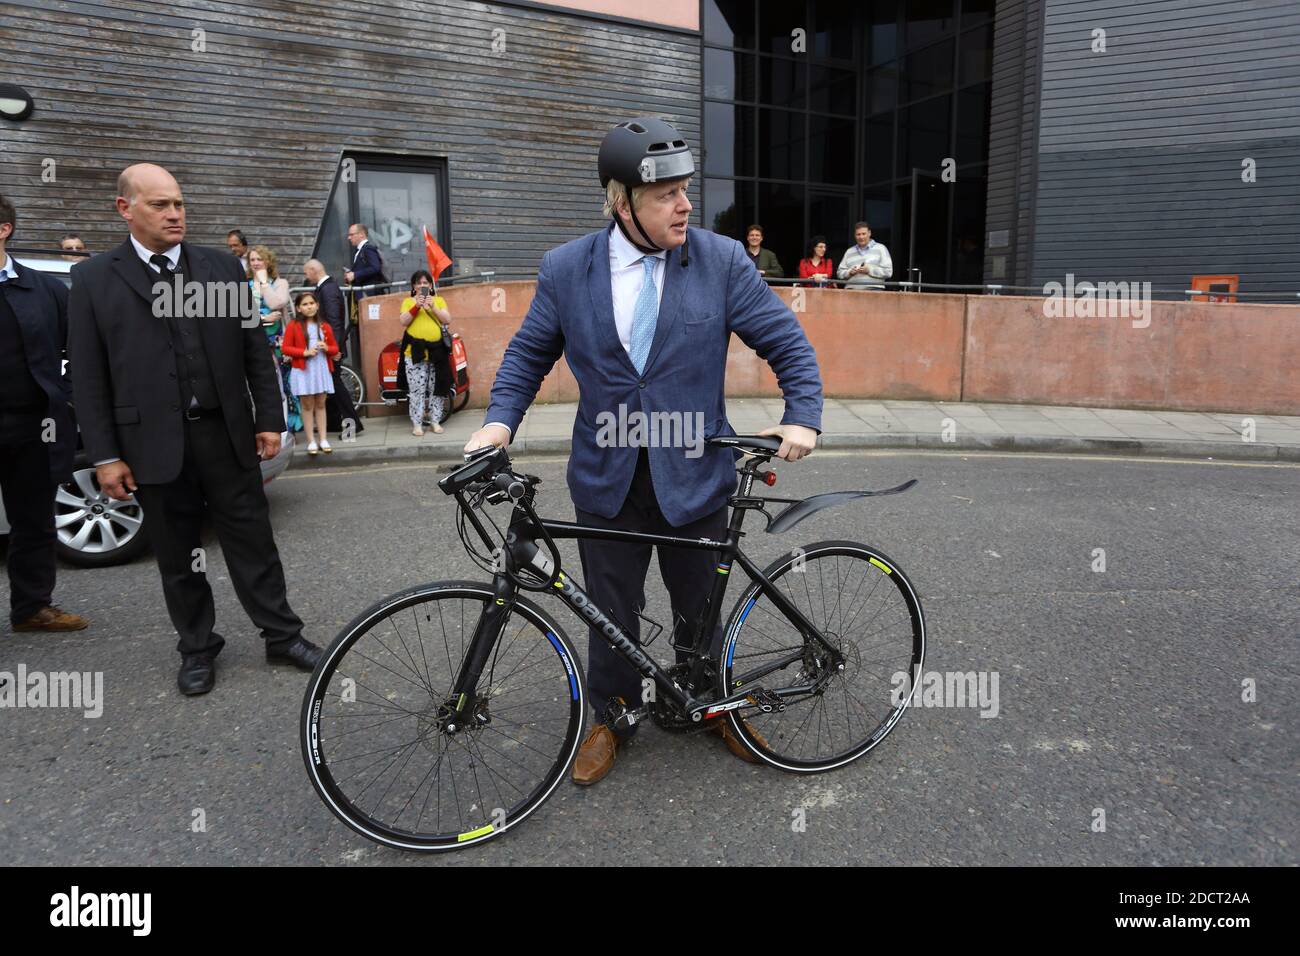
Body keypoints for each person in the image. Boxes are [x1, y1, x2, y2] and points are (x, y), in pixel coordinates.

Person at [465, 117, 821, 786]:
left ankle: (718, 709)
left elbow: (786, 342)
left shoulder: (720, 260)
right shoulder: (567, 268)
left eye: (687, 190)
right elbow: (527, 354)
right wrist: (498, 424)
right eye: (666, 195)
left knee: (700, 608)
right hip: (610, 477)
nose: (685, 204)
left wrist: (802, 414)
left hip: (694, 475)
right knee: (610, 611)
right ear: (620, 200)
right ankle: (615, 715)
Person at [67, 163, 322, 695]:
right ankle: (198, 647)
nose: (174, 214)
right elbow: (89, 377)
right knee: (178, 553)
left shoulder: (220, 269)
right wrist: (105, 455)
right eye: (159, 205)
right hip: (151, 445)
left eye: (178, 204)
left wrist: (269, 420)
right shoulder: (94, 279)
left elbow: (255, 350)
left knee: (253, 541)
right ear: (125, 209)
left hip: (224, 436)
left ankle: (282, 635)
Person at [0, 195, 88, 633]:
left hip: (35, 426)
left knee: (33, 520)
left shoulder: (45, 290)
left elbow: (81, 352)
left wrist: (66, 397)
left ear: (4, 229)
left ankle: (32, 607)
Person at [303, 258, 363, 437]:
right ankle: (335, 423)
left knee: (336, 387)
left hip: (330, 349)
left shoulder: (328, 289)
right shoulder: (325, 287)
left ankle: (353, 425)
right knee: (329, 387)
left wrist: (333, 349)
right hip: (327, 348)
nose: (306, 276)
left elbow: (334, 322)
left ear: (314, 270)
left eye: (306, 272)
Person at [247, 245, 301, 433]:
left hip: (279, 342)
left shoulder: (279, 283)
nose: (255, 263)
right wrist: (262, 318)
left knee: (285, 386)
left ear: (268, 261)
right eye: (252, 260)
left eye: (259, 259)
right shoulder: (243, 285)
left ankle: (288, 428)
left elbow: (276, 303)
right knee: (263, 385)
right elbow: (239, 315)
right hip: (254, 341)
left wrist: (263, 283)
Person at [281, 291, 339, 455]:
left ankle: (323, 438)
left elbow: (335, 348)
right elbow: (285, 348)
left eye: (311, 303)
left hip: (320, 369)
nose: (309, 307)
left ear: (317, 305)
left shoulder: (324, 326)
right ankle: (311, 441)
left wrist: (327, 348)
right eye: (305, 304)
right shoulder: (294, 325)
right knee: (307, 406)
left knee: (321, 404)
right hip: (303, 371)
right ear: (298, 308)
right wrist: (304, 352)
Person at [398, 270, 452, 436]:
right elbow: (403, 321)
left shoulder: (439, 300)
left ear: (431, 285)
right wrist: (417, 307)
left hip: (438, 352)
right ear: (414, 286)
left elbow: (447, 319)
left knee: (438, 387)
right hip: (415, 352)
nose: (422, 286)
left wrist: (433, 306)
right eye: (419, 283)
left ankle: (435, 421)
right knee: (416, 390)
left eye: (426, 283)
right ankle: (417, 424)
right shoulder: (408, 302)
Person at [836, 221, 893, 290]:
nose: (861, 237)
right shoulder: (849, 252)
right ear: (855, 235)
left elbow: (888, 272)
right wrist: (849, 273)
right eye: (858, 234)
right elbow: (839, 273)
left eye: (863, 234)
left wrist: (869, 270)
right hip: (851, 292)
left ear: (869, 233)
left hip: (874, 291)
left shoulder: (881, 248)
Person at [344, 223, 386, 300]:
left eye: (351, 235)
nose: (349, 238)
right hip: (365, 295)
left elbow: (375, 267)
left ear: (361, 234)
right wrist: (351, 275)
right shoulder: (361, 250)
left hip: (369, 295)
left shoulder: (368, 249)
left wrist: (355, 275)